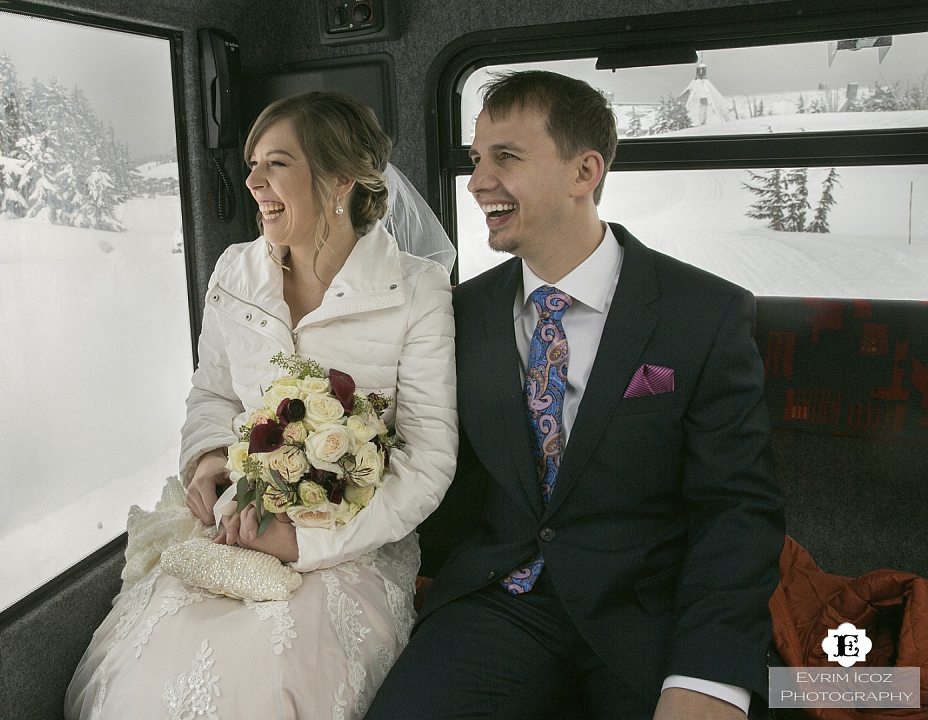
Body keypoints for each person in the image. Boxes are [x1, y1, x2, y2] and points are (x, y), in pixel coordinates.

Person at [367, 71, 785, 720]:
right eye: (476, 159)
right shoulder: (461, 313)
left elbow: (735, 508)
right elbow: (421, 454)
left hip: (647, 612)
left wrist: (708, 676)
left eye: (506, 157)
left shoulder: (703, 314)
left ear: (584, 171)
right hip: (499, 603)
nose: (477, 181)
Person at [65, 91, 458, 720]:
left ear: (339, 180)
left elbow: (429, 458)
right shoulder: (232, 272)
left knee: (270, 675)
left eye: (275, 163)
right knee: (154, 670)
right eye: (251, 164)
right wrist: (209, 457)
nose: (251, 182)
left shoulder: (417, 290)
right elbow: (214, 391)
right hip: (232, 520)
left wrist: (307, 545)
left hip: (350, 540)